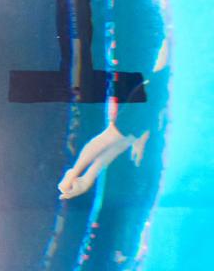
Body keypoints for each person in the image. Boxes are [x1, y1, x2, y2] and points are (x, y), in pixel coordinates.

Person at [58, 37, 169, 199]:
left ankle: (86, 178)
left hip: (150, 107)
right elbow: (165, 52)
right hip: (147, 99)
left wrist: (142, 136)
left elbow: (160, 109)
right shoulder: (172, 67)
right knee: (112, 137)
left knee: (121, 142)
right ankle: (74, 173)